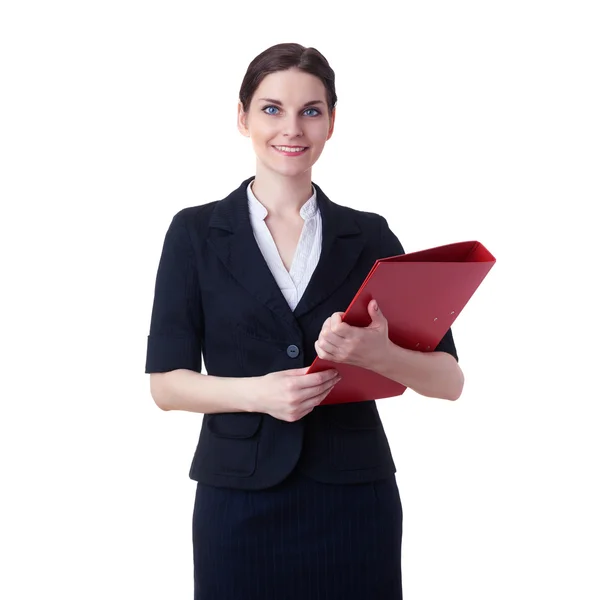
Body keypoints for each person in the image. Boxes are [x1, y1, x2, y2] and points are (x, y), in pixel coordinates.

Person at [145, 42, 464, 600]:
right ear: (241, 117)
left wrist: (377, 354)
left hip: (354, 498)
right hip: (238, 499)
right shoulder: (194, 234)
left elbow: (449, 380)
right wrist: (260, 395)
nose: (291, 128)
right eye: (271, 109)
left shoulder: (369, 235)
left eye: (310, 111)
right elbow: (166, 386)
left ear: (332, 122)